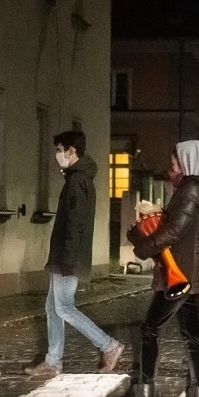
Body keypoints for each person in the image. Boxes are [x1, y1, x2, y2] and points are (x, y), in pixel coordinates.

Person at [122, 140, 199, 397]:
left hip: (179, 273)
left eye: (174, 165)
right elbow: (181, 225)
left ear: (188, 162)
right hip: (190, 271)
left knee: (149, 329)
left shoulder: (191, 188)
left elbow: (175, 230)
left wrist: (144, 247)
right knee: (192, 336)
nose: (170, 170)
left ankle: (145, 394)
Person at [27, 131, 123, 378]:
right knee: (53, 307)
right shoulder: (78, 178)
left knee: (63, 307)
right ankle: (53, 360)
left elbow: (75, 224)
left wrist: (68, 259)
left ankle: (109, 345)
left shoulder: (77, 181)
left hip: (68, 256)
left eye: (60, 150)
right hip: (65, 254)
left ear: (71, 151)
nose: (57, 155)